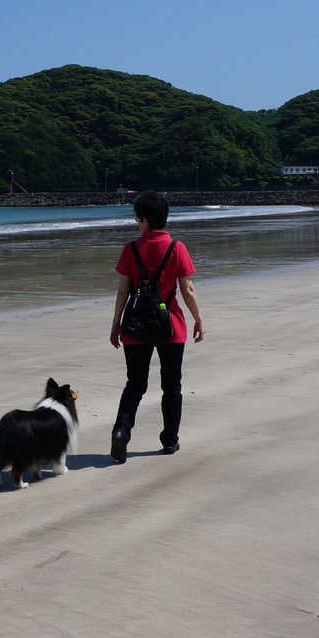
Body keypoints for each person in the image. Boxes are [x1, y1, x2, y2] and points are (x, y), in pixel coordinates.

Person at [108, 191, 204, 463]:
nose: (137, 224)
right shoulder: (177, 247)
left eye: (138, 220)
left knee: (135, 385)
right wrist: (198, 319)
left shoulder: (130, 249)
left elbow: (123, 290)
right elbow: (187, 288)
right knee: (171, 387)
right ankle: (170, 441)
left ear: (145, 221)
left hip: (136, 325)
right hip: (170, 326)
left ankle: (121, 431)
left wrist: (116, 324)